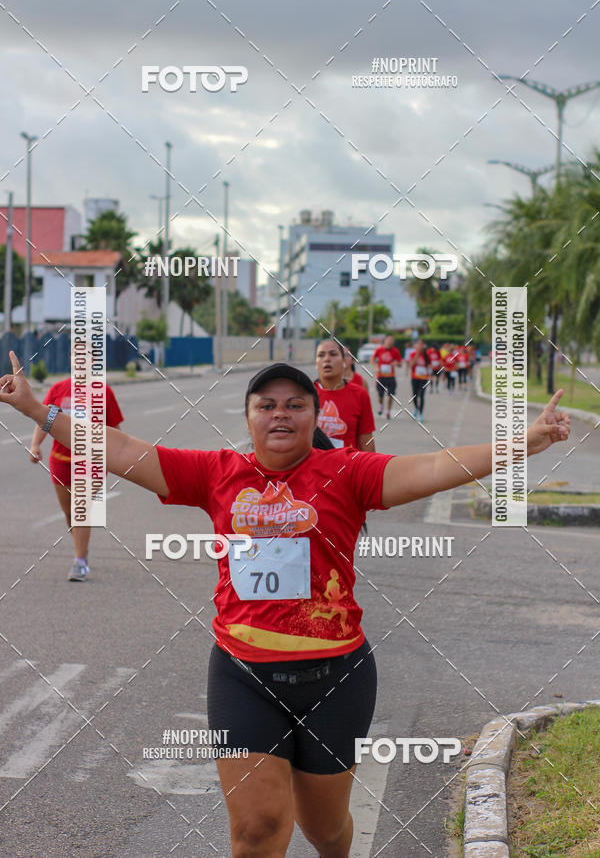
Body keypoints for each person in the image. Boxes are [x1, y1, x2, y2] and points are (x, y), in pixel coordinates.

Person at [0, 351, 571, 858]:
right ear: (248, 417)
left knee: (326, 830)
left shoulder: (347, 472)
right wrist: (35, 410)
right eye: (266, 405)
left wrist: (525, 442)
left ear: (314, 416)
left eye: (295, 405)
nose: (280, 414)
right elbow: (121, 448)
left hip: (336, 678)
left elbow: (435, 466)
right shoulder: (216, 473)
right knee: (256, 832)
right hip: (243, 676)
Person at [28, 373, 124, 581]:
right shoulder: (58, 390)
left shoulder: (103, 392)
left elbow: (114, 428)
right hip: (61, 460)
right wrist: (35, 444)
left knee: (80, 508)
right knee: (69, 512)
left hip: (93, 461)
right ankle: (82, 547)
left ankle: (79, 562)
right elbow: (46, 420)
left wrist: (116, 457)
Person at [315, 340, 375, 450]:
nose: (327, 359)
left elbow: (366, 441)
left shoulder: (360, 394)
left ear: (343, 361)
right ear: (316, 362)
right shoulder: (306, 394)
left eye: (333, 354)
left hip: (348, 461)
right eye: (321, 355)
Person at [370, 334, 402, 420]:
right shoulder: (379, 349)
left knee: (391, 395)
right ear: (385, 340)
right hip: (381, 376)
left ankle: (388, 411)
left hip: (391, 377)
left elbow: (400, 363)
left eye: (392, 340)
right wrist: (376, 367)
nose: (390, 342)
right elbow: (372, 359)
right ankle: (381, 405)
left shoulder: (395, 351)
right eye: (389, 340)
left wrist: (396, 363)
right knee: (380, 395)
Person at [408, 340, 431, 422]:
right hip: (415, 377)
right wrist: (417, 354)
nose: (420, 346)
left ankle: (420, 414)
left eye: (422, 345)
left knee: (421, 395)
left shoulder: (426, 355)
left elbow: (429, 366)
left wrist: (430, 374)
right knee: (414, 395)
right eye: (419, 345)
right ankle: (416, 408)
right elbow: (411, 364)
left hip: (424, 378)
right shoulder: (413, 354)